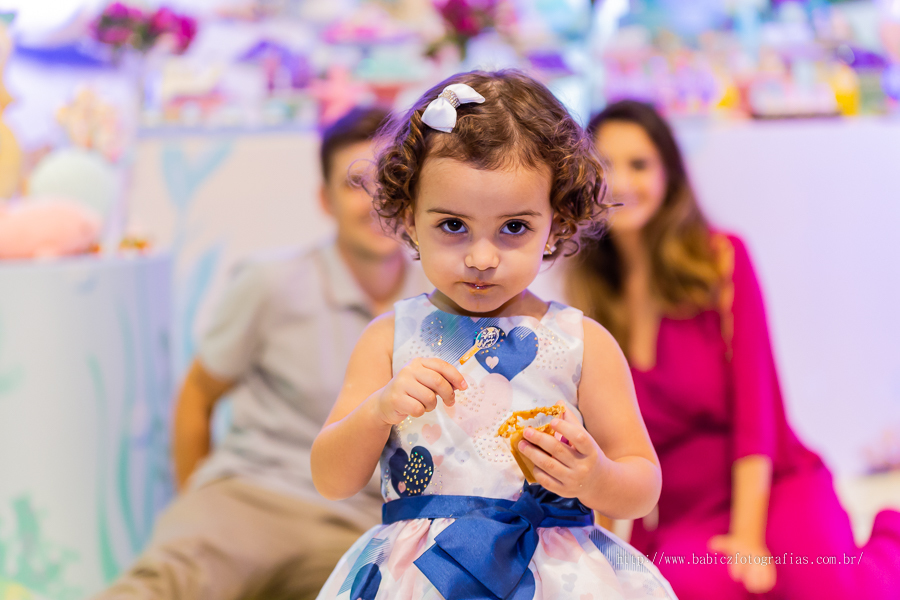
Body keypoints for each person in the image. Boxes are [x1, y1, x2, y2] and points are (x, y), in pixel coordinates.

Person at [310, 70, 679, 600]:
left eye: (513, 228)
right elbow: (331, 479)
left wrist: (595, 477)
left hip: (554, 575)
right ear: (409, 218)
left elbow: (643, 485)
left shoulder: (583, 342)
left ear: (556, 222)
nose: (482, 258)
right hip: (421, 577)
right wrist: (378, 411)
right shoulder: (388, 337)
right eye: (453, 225)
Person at [564, 99, 900, 600]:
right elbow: (610, 447)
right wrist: (604, 560)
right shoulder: (593, 303)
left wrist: (747, 538)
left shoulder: (720, 260)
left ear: (669, 174)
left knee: (835, 591)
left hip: (774, 484)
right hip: (684, 513)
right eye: (606, 166)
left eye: (639, 164)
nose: (622, 183)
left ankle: (890, 537)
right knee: (688, 589)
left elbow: (756, 409)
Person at [95, 106, 431, 600]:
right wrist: (200, 498)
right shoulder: (271, 283)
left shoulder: (444, 305)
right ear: (324, 200)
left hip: (358, 524)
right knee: (162, 585)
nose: (376, 201)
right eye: (354, 185)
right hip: (253, 496)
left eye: (389, 181)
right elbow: (198, 395)